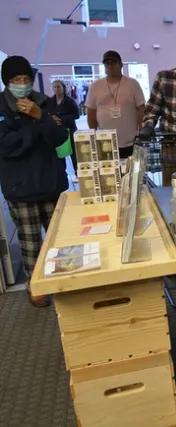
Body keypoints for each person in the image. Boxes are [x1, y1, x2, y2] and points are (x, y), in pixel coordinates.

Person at [0, 56, 69, 307]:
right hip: (20, 188)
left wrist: (41, 116)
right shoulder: (2, 107)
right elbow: (7, 146)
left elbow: (60, 137)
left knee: (58, 240)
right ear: (7, 83)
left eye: (26, 79)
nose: (22, 84)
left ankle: (61, 281)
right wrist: (37, 130)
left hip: (51, 182)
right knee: (31, 243)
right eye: (15, 80)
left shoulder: (44, 102)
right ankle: (35, 286)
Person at [86, 50, 146, 159]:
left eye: (113, 63)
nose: (110, 66)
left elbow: (141, 110)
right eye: (107, 63)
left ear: (121, 65)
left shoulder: (133, 84)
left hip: (130, 142)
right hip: (105, 142)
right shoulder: (95, 86)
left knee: (130, 174)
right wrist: (94, 135)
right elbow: (91, 113)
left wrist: (141, 132)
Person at [51, 79, 80, 174]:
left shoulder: (70, 101)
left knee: (73, 152)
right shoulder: (50, 101)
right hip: (57, 130)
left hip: (70, 130)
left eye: (58, 87)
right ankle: (62, 173)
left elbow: (77, 114)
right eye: (54, 87)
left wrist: (62, 118)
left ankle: (77, 172)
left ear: (63, 88)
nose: (56, 89)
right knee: (59, 153)